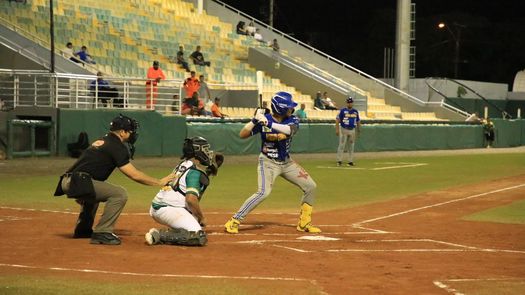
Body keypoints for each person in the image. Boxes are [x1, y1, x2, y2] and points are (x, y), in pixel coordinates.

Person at [53, 115, 175, 245]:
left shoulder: (104, 140)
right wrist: (159, 182)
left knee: (93, 194)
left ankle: (83, 229)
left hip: (70, 180)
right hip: (78, 181)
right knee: (119, 194)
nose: (133, 135)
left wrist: (79, 190)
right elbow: (134, 175)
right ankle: (102, 232)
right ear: (122, 132)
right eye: (130, 131)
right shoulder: (116, 146)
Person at [224, 91, 321, 234]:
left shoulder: (292, 120)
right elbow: (242, 134)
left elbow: (288, 131)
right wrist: (254, 120)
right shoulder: (264, 119)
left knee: (311, 186)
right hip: (268, 162)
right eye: (288, 107)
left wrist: (268, 122)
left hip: (287, 163)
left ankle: (304, 223)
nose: (291, 109)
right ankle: (234, 221)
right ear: (280, 108)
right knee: (263, 192)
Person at [145, 137, 224, 246]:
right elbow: (191, 200)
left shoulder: (184, 164)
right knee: (197, 235)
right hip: (167, 209)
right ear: (197, 151)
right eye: (205, 149)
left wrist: (209, 169)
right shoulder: (194, 172)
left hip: (160, 206)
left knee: (194, 218)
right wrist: (202, 217)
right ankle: (158, 235)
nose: (208, 152)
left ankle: (177, 228)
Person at [335, 97, 361, 166]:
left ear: (352, 103)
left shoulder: (355, 111)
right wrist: (337, 129)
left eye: (351, 102)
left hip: (352, 130)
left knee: (351, 146)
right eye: (349, 102)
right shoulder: (342, 111)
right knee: (342, 145)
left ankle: (350, 161)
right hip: (344, 129)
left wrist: (358, 130)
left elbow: (358, 121)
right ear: (347, 103)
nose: (350, 103)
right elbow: (337, 120)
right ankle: (339, 160)